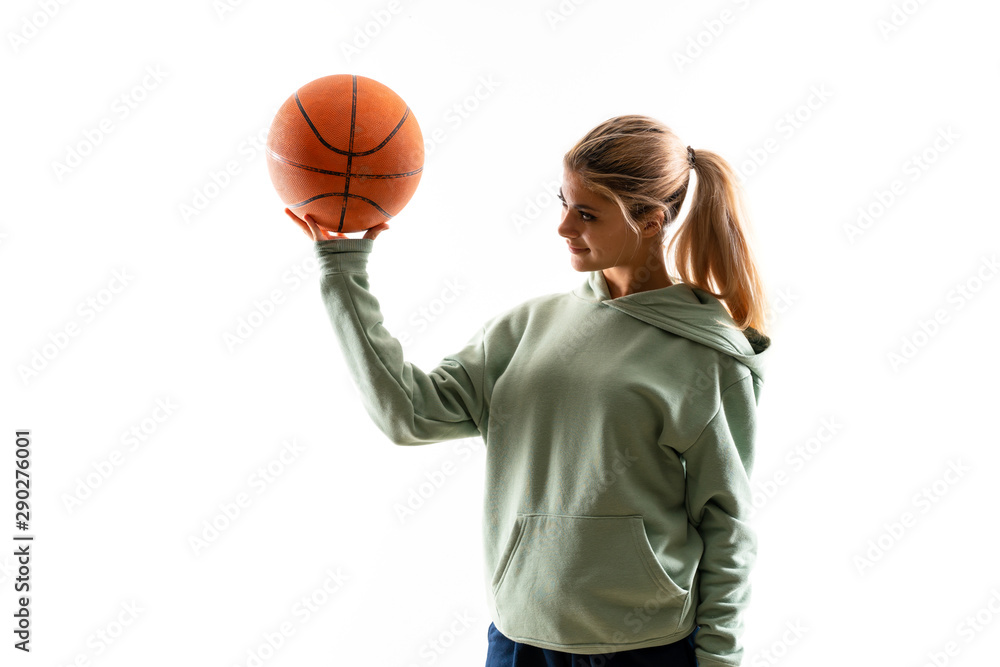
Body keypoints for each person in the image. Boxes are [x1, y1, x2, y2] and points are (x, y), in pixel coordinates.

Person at [286, 114, 772, 667]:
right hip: (518, 638)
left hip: (644, 648)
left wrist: (719, 660)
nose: (564, 227)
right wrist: (343, 270)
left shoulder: (706, 355)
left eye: (586, 214)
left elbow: (727, 526)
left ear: (652, 219)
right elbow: (409, 414)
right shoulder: (526, 328)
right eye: (562, 202)